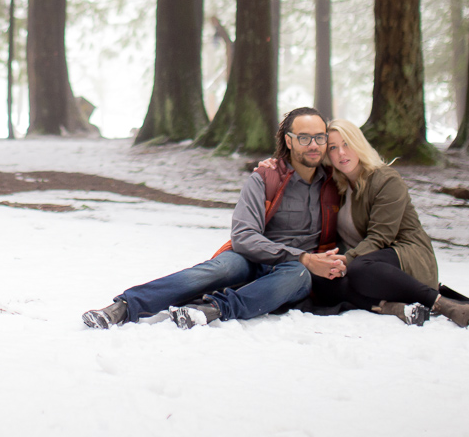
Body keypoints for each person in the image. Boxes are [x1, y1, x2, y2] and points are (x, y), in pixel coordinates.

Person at [81, 107, 347, 330]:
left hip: (292, 271)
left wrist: (310, 261)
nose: (313, 145)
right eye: (304, 138)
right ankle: (124, 307)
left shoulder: (337, 184)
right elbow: (244, 237)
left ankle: (210, 310)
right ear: (288, 141)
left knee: (299, 274)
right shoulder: (265, 178)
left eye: (320, 138)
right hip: (252, 257)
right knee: (222, 268)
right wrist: (302, 256)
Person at [301, 118, 469, 328]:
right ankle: (388, 307)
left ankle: (442, 304)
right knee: (321, 278)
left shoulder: (386, 179)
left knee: (359, 268)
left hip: (405, 256)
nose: (341, 153)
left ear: (359, 144)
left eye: (347, 143)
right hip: (367, 262)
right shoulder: (336, 186)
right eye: (333, 148)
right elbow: (302, 167)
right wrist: (274, 166)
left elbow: (381, 238)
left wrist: (344, 261)